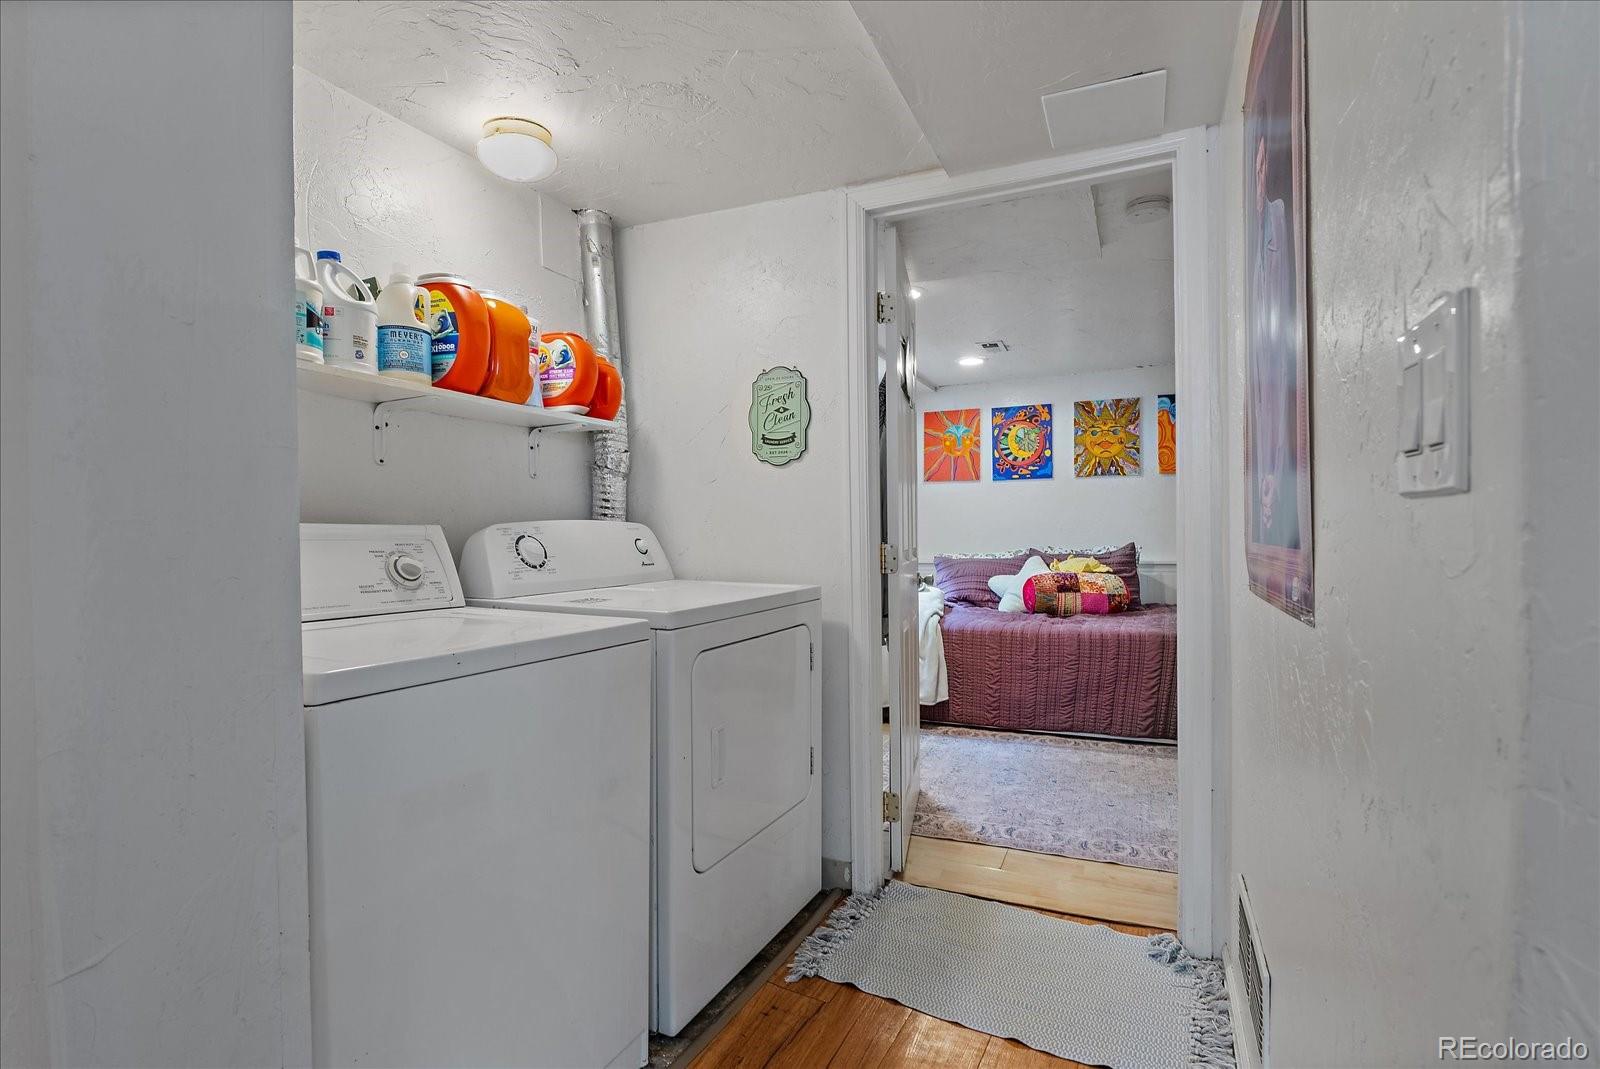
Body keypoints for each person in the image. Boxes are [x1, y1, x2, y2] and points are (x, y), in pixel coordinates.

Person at [1249, 131, 1300, 550]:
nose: (1261, 174)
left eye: (1266, 165)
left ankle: (1275, 490)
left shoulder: (1278, 221)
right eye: (1257, 166)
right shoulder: (1254, 247)